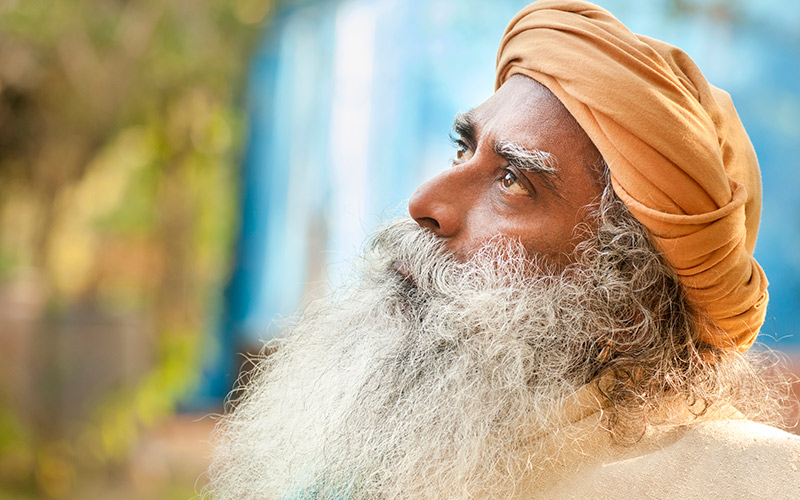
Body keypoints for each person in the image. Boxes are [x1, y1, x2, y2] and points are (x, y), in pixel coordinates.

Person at [204, 1, 800, 499]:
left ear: (624, 297)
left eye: (513, 181)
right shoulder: (357, 464)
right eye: (462, 150)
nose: (425, 201)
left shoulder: (750, 482)